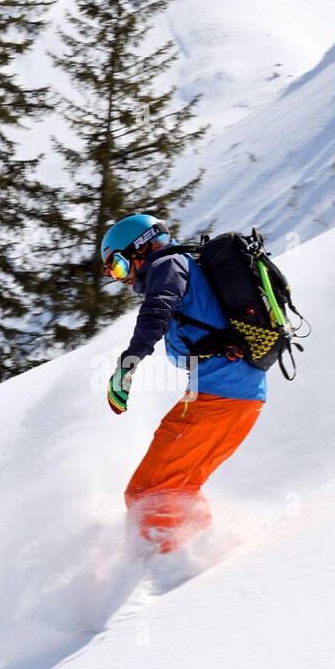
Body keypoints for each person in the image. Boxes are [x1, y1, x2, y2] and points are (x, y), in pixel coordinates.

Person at [101, 213, 266, 553]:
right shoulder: (184, 266)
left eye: (118, 265)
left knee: (146, 492)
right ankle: (204, 558)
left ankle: (161, 570)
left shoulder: (169, 264)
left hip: (219, 397)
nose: (122, 279)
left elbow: (157, 310)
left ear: (140, 248)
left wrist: (127, 364)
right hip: (242, 398)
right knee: (179, 490)